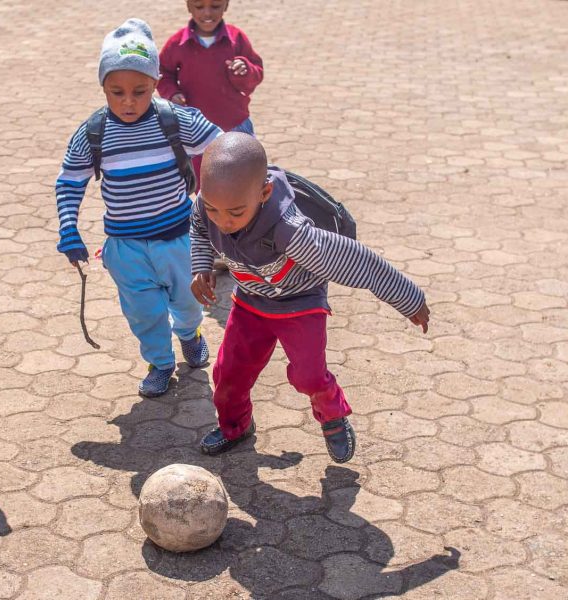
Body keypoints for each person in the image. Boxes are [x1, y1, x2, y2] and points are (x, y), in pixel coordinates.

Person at [190, 133, 430, 462]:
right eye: (214, 209)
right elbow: (199, 229)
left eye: (235, 212)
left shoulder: (291, 232)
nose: (224, 221)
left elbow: (356, 260)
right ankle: (235, 427)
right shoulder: (206, 208)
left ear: (264, 193)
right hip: (250, 302)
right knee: (228, 374)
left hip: (299, 304)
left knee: (309, 377)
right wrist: (201, 266)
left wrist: (409, 299)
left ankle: (332, 415)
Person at [55, 19, 221, 397]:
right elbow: (69, 181)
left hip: (180, 239)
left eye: (140, 91)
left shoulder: (175, 121)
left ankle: (190, 333)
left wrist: (235, 194)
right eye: (117, 92)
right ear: (103, 87)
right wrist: (68, 228)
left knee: (187, 301)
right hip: (126, 247)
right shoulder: (93, 132)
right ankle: (160, 363)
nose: (128, 101)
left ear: (155, 83)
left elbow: (224, 149)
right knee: (143, 313)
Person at [158, 0, 263, 187]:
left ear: (226, 5)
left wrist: (245, 68)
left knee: (244, 180)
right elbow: (163, 72)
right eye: (199, 7)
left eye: (215, 6)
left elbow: (257, 71)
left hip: (235, 124)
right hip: (196, 129)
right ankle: (204, 216)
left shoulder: (237, 38)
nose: (207, 13)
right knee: (204, 183)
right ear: (189, 6)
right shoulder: (177, 44)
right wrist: (172, 93)